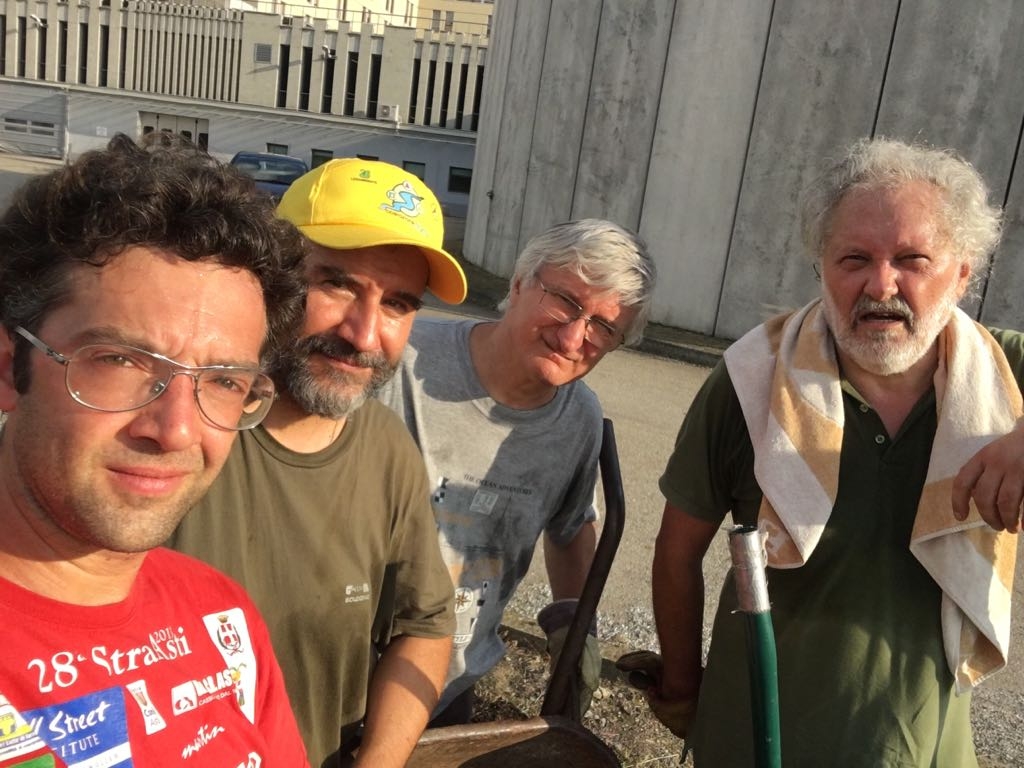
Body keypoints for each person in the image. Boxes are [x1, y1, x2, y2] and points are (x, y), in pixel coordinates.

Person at [647, 137, 1024, 766]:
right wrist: (684, 690)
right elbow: (678, 549)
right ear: (821, 266)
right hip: (752, 741)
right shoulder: (750, 380)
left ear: (962, 273)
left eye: (912, 258)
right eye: (854, 258)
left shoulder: (1008, 373)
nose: (881, 284)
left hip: (922, 745)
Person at [0, 134, 310, 766]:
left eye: (223, 381)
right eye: (117, 360)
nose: (174, 430)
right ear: (9, 369)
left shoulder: (221, 617)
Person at [170, 158, 464, 767]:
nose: (364, 334)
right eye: (337, 284)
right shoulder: (178, 425)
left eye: (398, 304)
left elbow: (425, 626)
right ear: (272, 276)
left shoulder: (387, 451)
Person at [377, 219, 657, 723]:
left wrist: (575, 629)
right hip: (342, 666)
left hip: (446, 685)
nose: (575, 337)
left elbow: (571, 528)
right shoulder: (403, 358)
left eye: (603, 326)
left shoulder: (578, 420)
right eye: (567, 302)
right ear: (519, 282)